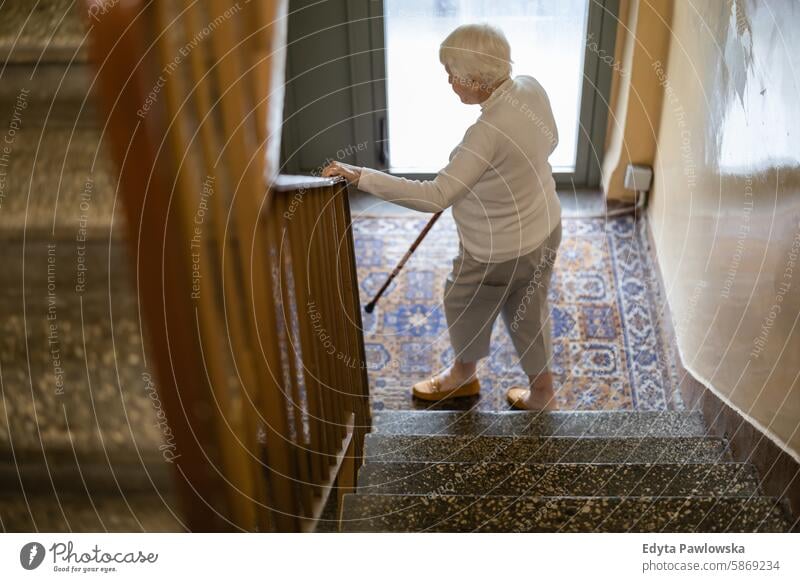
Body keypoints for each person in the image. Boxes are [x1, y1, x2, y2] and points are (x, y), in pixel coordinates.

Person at [323, 23, 562, 410]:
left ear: (477, 79)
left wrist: (361, 176)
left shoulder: (486, 133)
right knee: (529, 309)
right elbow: (550, 142)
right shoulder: (531, 88)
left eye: (453, 74)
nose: (449, 81)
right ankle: (543, 393)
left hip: (497, 250)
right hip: (547, 225)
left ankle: (462, 378)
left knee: (461, 300)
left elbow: (436, 196)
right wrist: (496, 180)